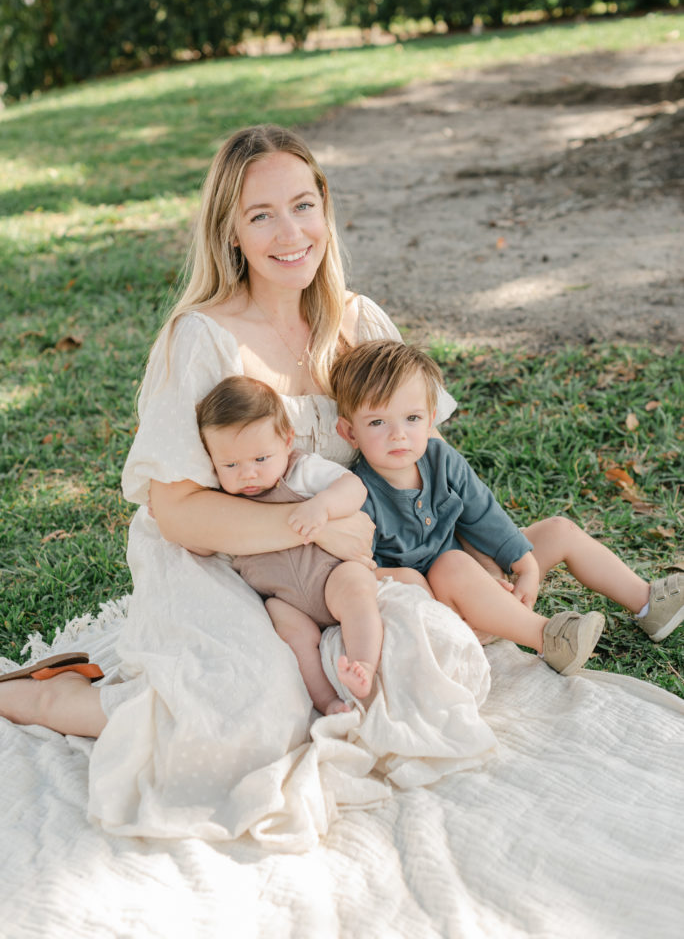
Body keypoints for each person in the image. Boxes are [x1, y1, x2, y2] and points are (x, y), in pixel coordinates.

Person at [0, 123, 476, 842]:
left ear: (325, 208)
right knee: (254, 713)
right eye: (261, 215)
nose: (291, 233)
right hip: (219, 561)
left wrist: (461, 549)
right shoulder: (203, 337)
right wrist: (309, 522)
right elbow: (179, 510)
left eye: (302, 205)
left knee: (428, 661)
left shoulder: (358, 322)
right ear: (231, 233)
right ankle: (55, 699)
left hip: (341, 563)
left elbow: (421, 454)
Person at [330, 339, 684, 672]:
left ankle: (649, 603)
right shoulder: (357, 493)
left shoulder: (440, 458)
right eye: (378, 422)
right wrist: (441, 612)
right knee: (448, 565)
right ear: (349, 432)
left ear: (431, 417)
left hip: (487, 580)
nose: (398, 434)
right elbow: (363, 573)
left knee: (558, 531)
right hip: (444, 607)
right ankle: (549, 638)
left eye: (412, 418)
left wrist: (524, 567)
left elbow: (484, 512)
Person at [195, 373, 383, 711]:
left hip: (329, 574)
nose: (247, 473)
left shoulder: (301, 471)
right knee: (291, 638)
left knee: (357, 591)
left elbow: (354, 487)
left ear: (287, 441)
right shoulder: (221, 502)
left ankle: (363, 666)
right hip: (283, 599)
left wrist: (322, 505)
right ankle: (326, 701)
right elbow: (203, 543)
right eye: (230, 464)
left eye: (260, 459)